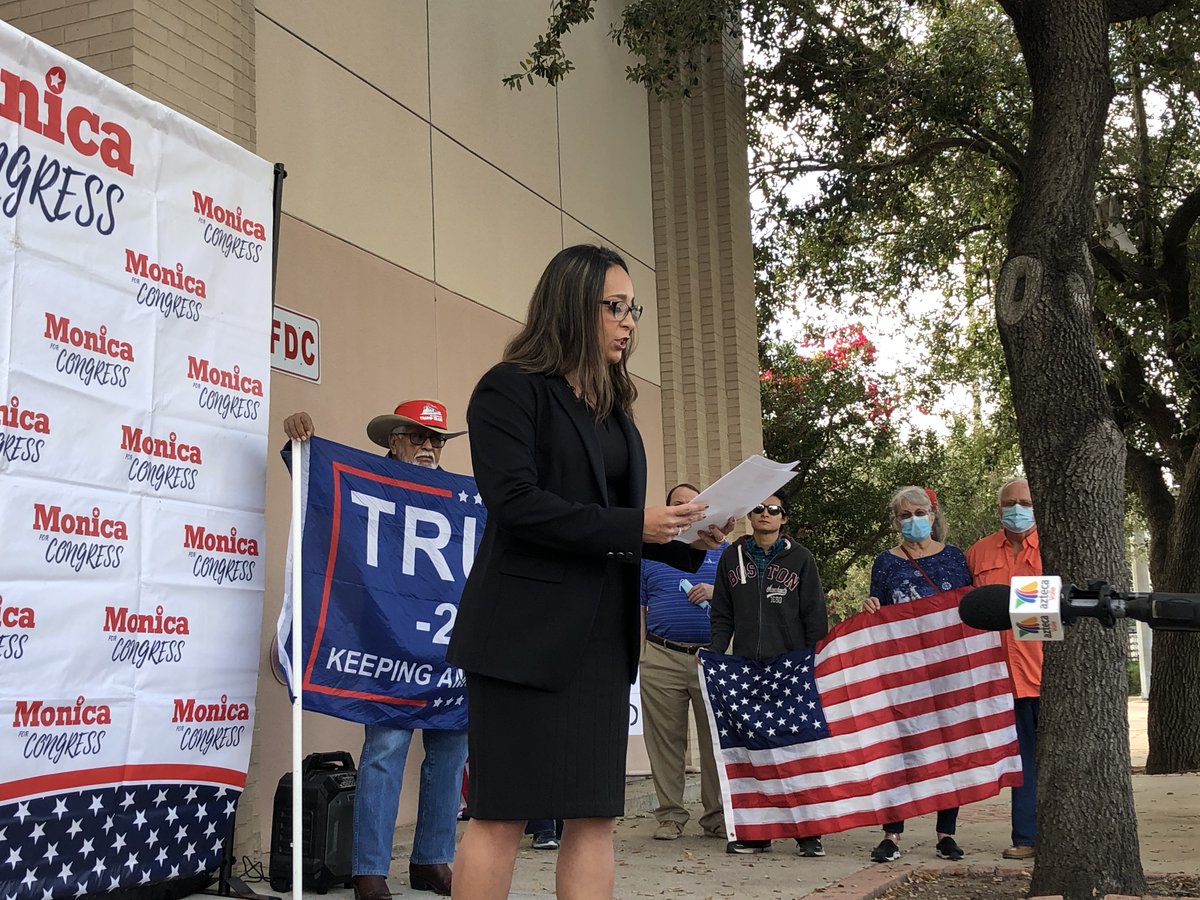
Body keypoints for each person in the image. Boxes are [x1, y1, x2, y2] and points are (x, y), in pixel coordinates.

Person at [444, 244, 730, 900]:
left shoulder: (614, 411)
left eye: (633, 309)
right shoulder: (509, 389)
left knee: (595, 817)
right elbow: (516, 505)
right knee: (501, 815)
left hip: (601, 643)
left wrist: (685, 536)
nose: (628, 322)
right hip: (521, 641)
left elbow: (616, 526)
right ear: (574, 306)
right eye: (615, 307)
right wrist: (638, 525)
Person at [283, 400, 469, 897]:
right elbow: (316, 487)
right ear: (394, 440)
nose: (428, 447)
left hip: (448, 647)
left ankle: (432, 859)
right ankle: (370, 869)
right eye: (418, 436)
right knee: (386, 749)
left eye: (436, 439)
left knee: (451, 749)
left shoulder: (462, 497)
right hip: (387, 644)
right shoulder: (366, 481)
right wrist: (299, 444)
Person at [707, 493, 829, 857]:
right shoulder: (731, 557)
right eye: (758, 508)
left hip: (790, 667)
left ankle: (808, 832)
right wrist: (715, 652)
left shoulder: (801, 559)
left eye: (773, 509)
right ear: (749, 515)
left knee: (797, 750)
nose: (765, 514)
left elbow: (814, 614)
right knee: (755, 751)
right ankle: (758, 832)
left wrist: (816, 660)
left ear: (784, 518)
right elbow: (723, 613)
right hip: (745, 668)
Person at [862, 485, 972, 864]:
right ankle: (892, 834)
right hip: (902, 671)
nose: (913, 520)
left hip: (948, 668)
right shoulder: (885, 562)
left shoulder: (955, 558)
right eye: (905, 515)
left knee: (948, 748)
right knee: (899, 750)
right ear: (896, 522)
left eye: (919, 513)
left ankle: (946, 833)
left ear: (933, 515)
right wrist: (871, 606)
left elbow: (969, 609)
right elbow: (879, 609)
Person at [639, 482, 727, 842]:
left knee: (714, 742)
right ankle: (670, 816)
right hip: (660, 655)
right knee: (665, 741)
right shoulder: (649, 554)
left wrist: (716, 592)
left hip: (713, 658)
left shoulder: (724, 552)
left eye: (692, 504)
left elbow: (745, 601)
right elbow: (639, 609)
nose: (685, 509)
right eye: (678, 504)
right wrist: (639, 656)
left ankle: (717, 816)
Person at [966, 477, 1041, 861]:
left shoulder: (1053, 547)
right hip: (999, 678)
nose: (1017, 510)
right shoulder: (978, 553)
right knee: (1021, 761)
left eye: (1024, 503)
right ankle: (1026, 837)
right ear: (999, 509)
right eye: (1010, 503)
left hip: (1047, 674)